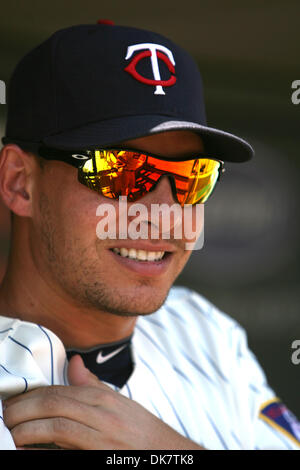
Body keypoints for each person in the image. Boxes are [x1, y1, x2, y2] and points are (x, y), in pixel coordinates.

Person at [0, 20, 299, 451]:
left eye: (194, 176)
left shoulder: (203, 329)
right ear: (19, 182)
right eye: (120, 171)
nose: (163, 215)